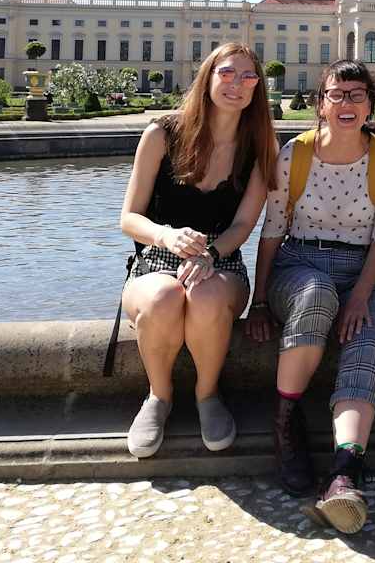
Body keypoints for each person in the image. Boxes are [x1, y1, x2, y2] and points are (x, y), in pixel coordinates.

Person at [244, 60, 375, 534]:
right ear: (320, 104)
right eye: (336, 94)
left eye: (357, 95)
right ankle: (286, 425)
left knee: (367, 339)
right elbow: (272, 233)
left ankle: (343, 474)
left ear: (371, 105)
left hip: (365, 270)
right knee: (315, 296)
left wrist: (360, 296)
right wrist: (258, 301)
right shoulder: (294, 155)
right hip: (299, 264)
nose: (346, 103)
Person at [118, 42, 278, 459]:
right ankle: (159, 398)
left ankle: (208, 395)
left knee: (205, 296)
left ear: (257, 88)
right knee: (162, 295)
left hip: (222, 262)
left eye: (247, 77)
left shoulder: (259, 149)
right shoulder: (162, 134)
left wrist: (210, 255)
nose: (237, 84)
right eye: (227, 73)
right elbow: (129, 218)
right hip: (153, 260)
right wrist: (167, 236)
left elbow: (244, 225)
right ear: (207, 76)